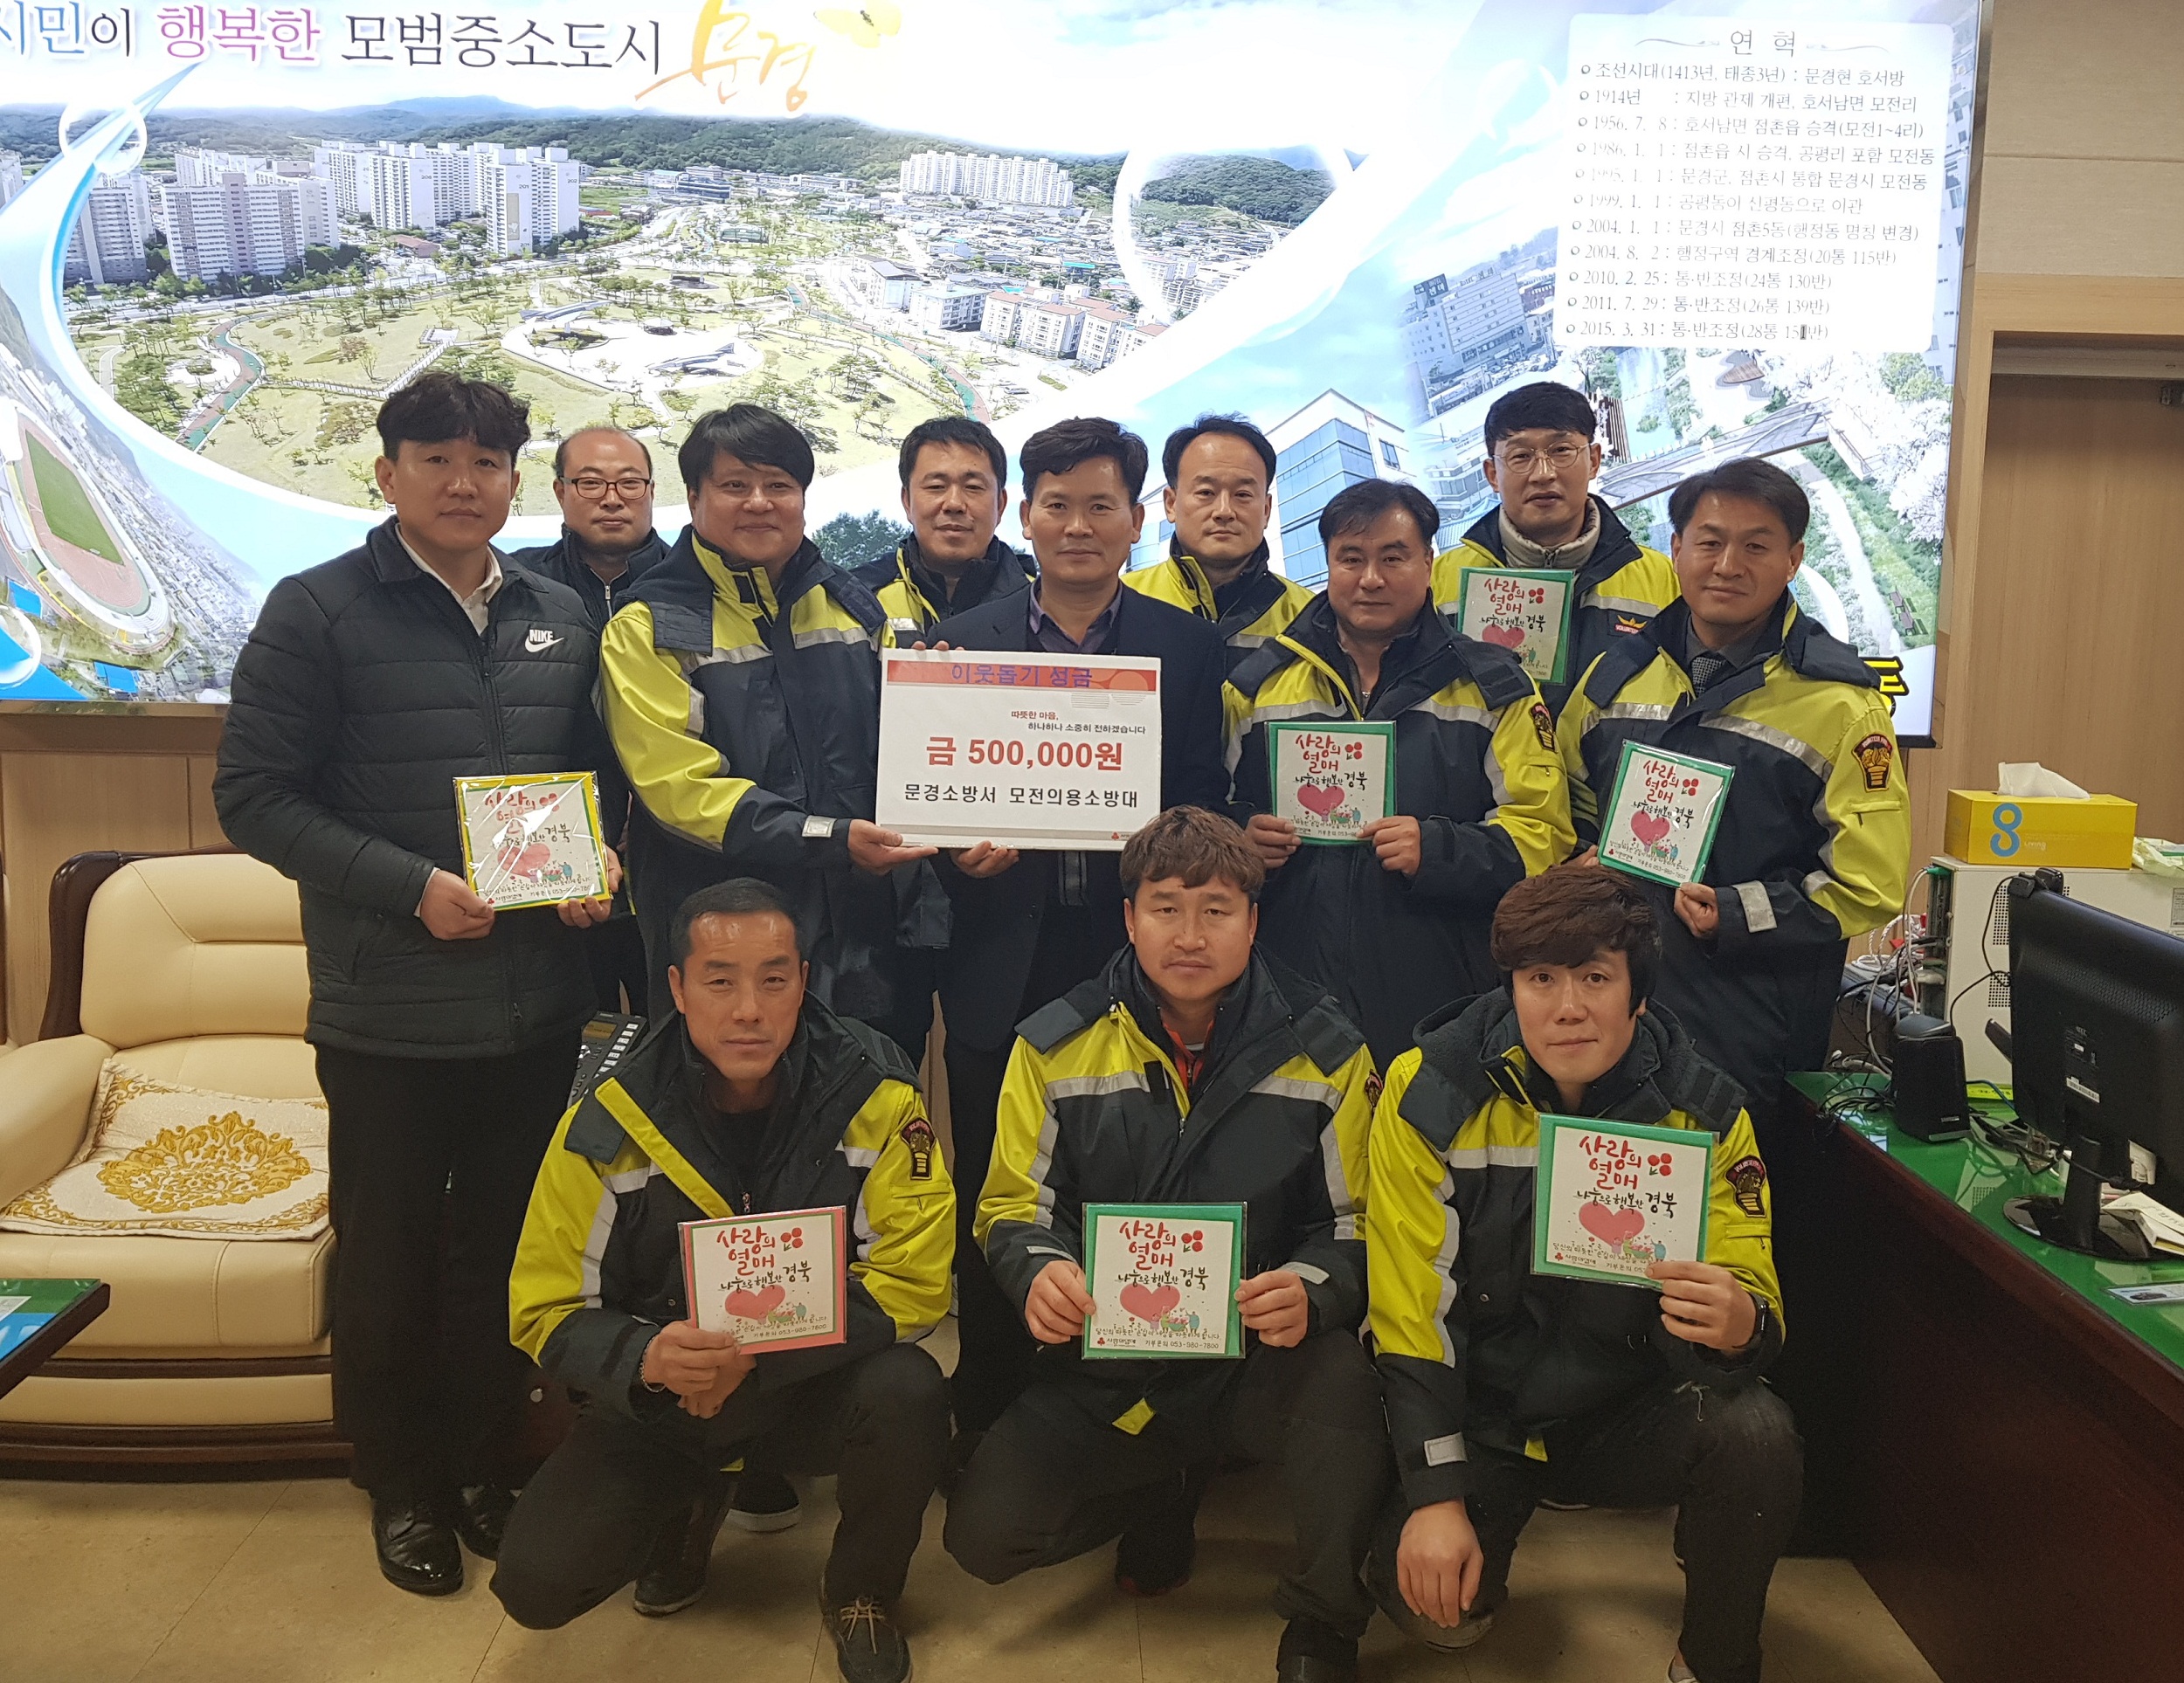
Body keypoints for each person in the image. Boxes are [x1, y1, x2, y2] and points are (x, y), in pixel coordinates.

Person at [214, 371, 621, 1596]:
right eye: (436, 458)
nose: (463, 482)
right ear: (386, 472)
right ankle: (400, 1483)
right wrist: (410, 887)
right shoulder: (317, 610)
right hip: (387, 1005)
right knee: (387, 1260)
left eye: (487, 462)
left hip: (533, 1004)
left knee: (503, 1253)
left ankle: (483, 1461)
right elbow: (254, 797)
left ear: (514, 480)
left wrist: (596, 861)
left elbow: (585, 779)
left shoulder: (558, 612)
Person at [943, 807, 1389, 1683]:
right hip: (1107, 1358)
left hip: (1252, 1356)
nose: (1190, 935)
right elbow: (1010, 1207)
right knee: (982, 1540)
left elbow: (1360, 1223)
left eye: (1216, 909)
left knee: (1343, 1382)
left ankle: (1324, 1617)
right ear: (1128, 917)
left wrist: (1313, 1287)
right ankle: (1162, 1476)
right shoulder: (1051, 1042)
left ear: (1253, 921)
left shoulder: (1329, 1049)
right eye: (1166, 908)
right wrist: (1039, 1273)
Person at [1558, 457, 1908, 1552]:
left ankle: (1727, 1452)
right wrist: (1582, 862)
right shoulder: (1617, 667)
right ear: (1675, 548)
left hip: (1746, 1008)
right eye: (1707, 539)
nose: (1726, 562)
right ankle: (1603, 1433)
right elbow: (1568, 790)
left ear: (1792, 559)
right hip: (1612, 1002)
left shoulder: (1842, 699)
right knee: (1601, 1201)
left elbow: (1870, 879)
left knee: (1725, 1223)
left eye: (1756, 544)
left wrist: (1740, 912)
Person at [493, 879, 953, 1683]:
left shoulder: (876, 1093)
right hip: (667, 1400)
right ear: (676, 987)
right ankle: (691, 1502)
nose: (749, 1009)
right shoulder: (609, 1117)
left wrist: (754, 1358)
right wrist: (648, 1358)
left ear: (804, 980)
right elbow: (542, 1306)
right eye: (719, 980)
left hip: (811, 1387)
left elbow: (914, 1280)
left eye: (773, 979)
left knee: (910, 1389)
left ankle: (863, 1591)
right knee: (537, 1583)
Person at [1367, 862, 1798, 1683]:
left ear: (1638, 994)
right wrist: (1436, 1494)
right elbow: (1410, 1306)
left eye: (1595, 978)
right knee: (1434, 1615)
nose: (1568, 1006)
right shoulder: (1430, 1092)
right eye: (1541, 979)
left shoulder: (1705, 1112)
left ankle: (1716, 1659)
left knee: (1756, 1431)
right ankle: (1471, 1520)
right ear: (1510, 987)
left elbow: (1751, 1273)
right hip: (1486, 1415)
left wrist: (1742, 1322)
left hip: (1622, 1408)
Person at [926, 416, 1230, 1448]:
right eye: (1056, 505)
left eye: (1101, 505)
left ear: (1137, 521)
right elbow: (926, 793)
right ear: (1026, 515)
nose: (1077, 525)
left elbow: (1202, 794)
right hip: (999, 958)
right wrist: (957, 848)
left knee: (1124, 1174)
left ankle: (1125, 1404)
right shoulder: (960, 645)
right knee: (994, 1182)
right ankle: (990, 1399)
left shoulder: (1185, 646)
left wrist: (1164, 841)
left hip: (1129, 957)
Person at [598, 403, 945, 1055]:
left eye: (779, 485)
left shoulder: (854, 607)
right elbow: (681, 792)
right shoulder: (649, 627)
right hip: (724, 938)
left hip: (862, 931)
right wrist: (828, 837)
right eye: (736, 485)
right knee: (729, 1104)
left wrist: (946, 698)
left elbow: (908, 752)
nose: (759, 502)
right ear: (694, 498)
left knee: (871, 1095)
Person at [1230, 478, 1574, 1071]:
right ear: (1327, 564)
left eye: (1393, 558)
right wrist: (1240, 836)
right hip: (1282, 983)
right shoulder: (1256, 685)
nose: (1371, 579)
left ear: (1429, 562)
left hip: (1443, 993)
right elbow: (1202, 811)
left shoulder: (1496, 687)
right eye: (1351, 559)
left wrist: (1437, 849)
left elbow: (1545, 834)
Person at [508, 424, 670, 1016]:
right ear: (559, 491)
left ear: (651, 491)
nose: (612, 498)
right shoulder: (516, 587)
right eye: (591, 483)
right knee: (572, 1040)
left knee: (676, 1040)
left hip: (673, 864)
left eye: (629, 483)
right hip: (555, 861)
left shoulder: (691, 585)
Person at [1429, 381, 1679, 713]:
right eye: (1521, 456)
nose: (1543, 474)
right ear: (1492, 474)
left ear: (1593, 460)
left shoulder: (1662, 579)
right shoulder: (1438, 584)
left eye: (1561, 451)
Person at [1124, 412, 1311, 673]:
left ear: (1266, 510)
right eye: (1206, 493)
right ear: (1171, 504)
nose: (1224, 511)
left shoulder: (1312, 618)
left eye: (1243, 494)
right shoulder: (1119, 603)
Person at [854, 414, 1036, 638]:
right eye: (936, 486)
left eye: (973, 487)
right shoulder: (857, 599)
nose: (954, 504)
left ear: (1001, 504)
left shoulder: (1041, 604)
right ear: (907, 501)